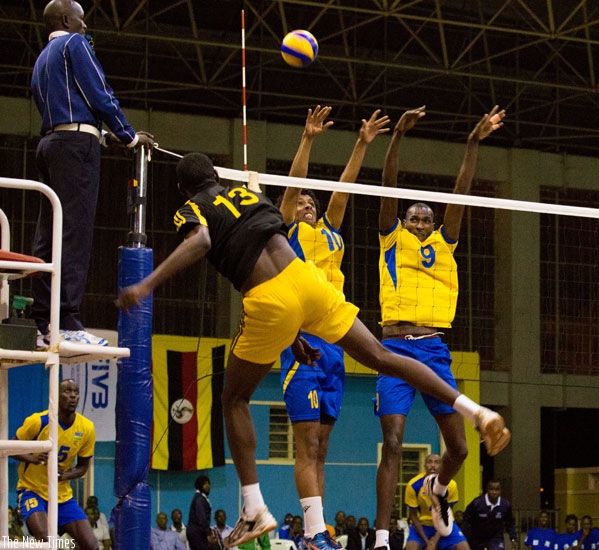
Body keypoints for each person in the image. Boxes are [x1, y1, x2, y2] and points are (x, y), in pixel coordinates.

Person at [116, 153, 510, 548]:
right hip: (308, 284)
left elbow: (201, 240)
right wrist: (293, 334)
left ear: (184, 189)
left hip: (268, 300)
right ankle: (476, 411)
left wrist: (146, 284)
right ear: (217, 175)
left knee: (233, 399)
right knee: (382, 357)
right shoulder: (248, 195)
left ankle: (253, 509)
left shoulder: (192, 207)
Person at [373, 104, 508, 548]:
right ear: (402, 222)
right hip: (394, 349)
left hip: (433, 348)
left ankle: (437, 490)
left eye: (425, 219)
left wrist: (472, 141)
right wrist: (397, 136)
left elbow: (462, 190)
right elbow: (388, 185)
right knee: (393, 442)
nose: (419, 223)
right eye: (413, 218)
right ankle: (381, 536)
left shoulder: (445, 243)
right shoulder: (391, 238)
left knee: (461, 449)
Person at [278, 105, 390, 550]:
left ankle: (318, 530)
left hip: (335, 344)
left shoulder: (330, 232)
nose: (306, 204)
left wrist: (362, 143)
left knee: (322, 448)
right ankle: (311, 532)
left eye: (312, 202)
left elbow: (343, 189)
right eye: (302, 202)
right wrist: (307, 139)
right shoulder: (287, 232)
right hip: (301, 341)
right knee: (306, 445)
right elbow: (293, 186)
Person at [29, 0, 155, 348]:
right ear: (66, 19)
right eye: (81, 20)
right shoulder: (74, 44)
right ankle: (67, 320)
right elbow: (99, 93)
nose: (85, 27)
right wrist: (128, 136)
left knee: (49, 233)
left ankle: (43, 322)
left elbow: (61, 107)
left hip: (50, 143)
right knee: (75, 232)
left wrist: (102, 136)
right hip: (75, 148)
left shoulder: (41, 59)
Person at [10, 379, 97, 548]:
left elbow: (83, 467)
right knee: (46, 539)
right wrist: (33, 458)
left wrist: (64, 475)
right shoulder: (39, 421)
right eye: (67, 391)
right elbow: (11, 447)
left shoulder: (86, 428)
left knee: (91, 544)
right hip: (32, 490)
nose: (73, 396)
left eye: (76, 392)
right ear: (56, 396)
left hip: (62, 496)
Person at [405, 454, 469, 550]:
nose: (433, 465)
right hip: (422, 525)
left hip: (445, 523)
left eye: (437, 462)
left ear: (442, 466)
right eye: (429, 462)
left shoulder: (451, 485)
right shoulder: (413, 485)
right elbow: (413, 516)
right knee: (411, 547)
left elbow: (447, 514)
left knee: (464, 547)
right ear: (424, 465)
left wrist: (434, 540)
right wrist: (427, 542)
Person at [461, 480, 517, 550]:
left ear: (500, 491)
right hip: (477, 537)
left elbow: (510, 522)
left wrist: (513, 537)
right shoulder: (477, 503)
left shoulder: (505, 505)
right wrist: (463, 537)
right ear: (487, 490)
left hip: (495, 537)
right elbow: (466, 520)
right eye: (491, 489)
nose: (494, 492)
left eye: (497, 490)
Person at [187, 475, 213, 550]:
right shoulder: (200, 499)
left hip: (197, 532)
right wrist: (208, 533)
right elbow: (201, 518)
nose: (208, 486)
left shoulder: (200, 498)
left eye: (208, 483)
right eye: (205, 484)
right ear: (200, 485)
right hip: (197, 533)